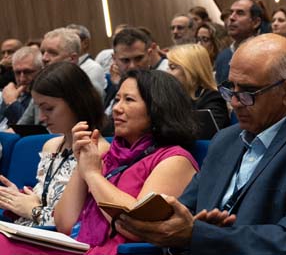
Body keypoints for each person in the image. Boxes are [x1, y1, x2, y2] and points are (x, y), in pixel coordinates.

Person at [115, 34, 286, 254]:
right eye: (231, 87)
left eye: (248, 92)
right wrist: (181, 233)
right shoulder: (224, 140)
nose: (234, 102)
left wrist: (205, 237)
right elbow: (181, 220)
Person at [0, 70, 200, 254]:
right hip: (82, 247)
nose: (117, 108)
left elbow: (139, 225)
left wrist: (93, 175)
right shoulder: (112, 154)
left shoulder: (175, 159)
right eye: (117, 99)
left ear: (157, 107)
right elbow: (66, 223)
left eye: (129, 100)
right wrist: (82, 163)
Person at [0, 62, 107, 227]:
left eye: (49, 109)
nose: (42, 117)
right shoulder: (51, 145)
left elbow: (81, 222)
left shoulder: (99, 152)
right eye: (39, 109)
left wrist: (33, 210)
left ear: (76, 102)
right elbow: (44, 200)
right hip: (29, 233)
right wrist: (17, 197)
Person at [167, 44, 229, 135]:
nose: (167, 72)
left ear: (191, 70)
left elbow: (207, 135)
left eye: (172, 67)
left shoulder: (212, 98)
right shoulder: (174, 97)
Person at [215, 0, 263, 84]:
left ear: (255, 22)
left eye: (240, 13)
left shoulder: (265, 53)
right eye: (231, 12)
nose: (231, 18)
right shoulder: (223, 56)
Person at [0, 47, 43, 128]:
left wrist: (12, 102)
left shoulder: (43, 96)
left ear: (41, 70)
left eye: (28, 72)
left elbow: (30, 128)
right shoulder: (10, 91)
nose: (22, 79)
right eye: (17, 73)